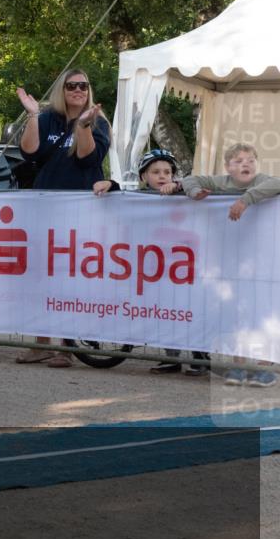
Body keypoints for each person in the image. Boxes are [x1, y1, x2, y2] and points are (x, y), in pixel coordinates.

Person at [16, 68, 110, 368]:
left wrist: (82, 127)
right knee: (41, 277)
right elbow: (29, 152)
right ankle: (40, 343)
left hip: (81, 211)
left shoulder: (99, 122)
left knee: (70, 280)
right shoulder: (47, 119)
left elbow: (87, 158)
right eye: (72, 85)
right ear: (62, 89)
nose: (78, 90)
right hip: (45, 207)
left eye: (83, 85)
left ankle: (65, 348)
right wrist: (32, 116)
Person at [94, 148, 210, 376]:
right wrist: (110, 183)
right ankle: (172, 358)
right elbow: (121, 198)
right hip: (152, 268)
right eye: (155, 172)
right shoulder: (140, 199)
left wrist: (178, 186)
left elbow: (194, 185)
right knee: (163, 311)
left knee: (188, 310)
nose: (162, 176)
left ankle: (200, 357)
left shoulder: (181, 192)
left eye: (167, 172)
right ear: (143, 177)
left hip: (182, 267)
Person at [173, 143, 280, 387]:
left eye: (251, 160)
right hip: (232, 263)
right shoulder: (221, 182)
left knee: (263, 314)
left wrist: (246, 199)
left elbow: (277, 183)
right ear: (227, 167)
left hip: (265, 263)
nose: (246, 164)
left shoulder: (263, 180)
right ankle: (239, 365)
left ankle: (263, 368)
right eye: (239, 160)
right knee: (238, 313)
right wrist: (194, 192)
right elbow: (191, 179)